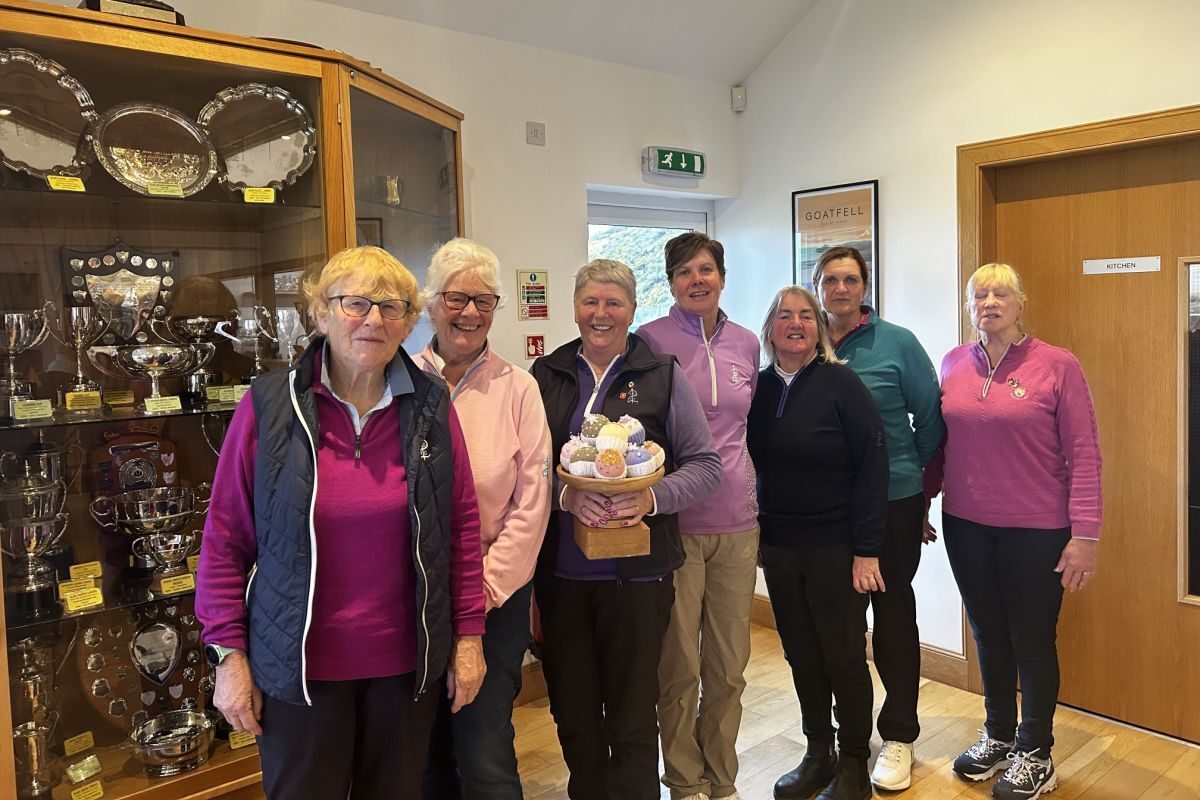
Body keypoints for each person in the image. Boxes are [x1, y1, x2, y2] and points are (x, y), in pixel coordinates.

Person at [195, 246, 488, 799]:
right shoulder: (268, 406)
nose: (374, 319)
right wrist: (228, 655)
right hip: (298, 670)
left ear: (407, 321)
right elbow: (225, 538)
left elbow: (461, 528)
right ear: (321, 313)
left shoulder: (430, 404)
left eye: (392, 306)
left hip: (405, 667)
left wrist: (469, 637)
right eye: (356, 303)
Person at [530, 259, 722, 800]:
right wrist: (567, 496)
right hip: (564, 577)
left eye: (614, 302)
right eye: (591, 301)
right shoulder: (547, 375)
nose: (601, 313)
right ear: (574, 308)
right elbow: (525, 469)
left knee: (635, 712)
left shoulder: (662, 374)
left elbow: (706, 466)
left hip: (640, 579)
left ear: (633, 311)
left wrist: (651, 498)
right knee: (573, 710)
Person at [925, 263, 1102, 800]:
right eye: (979, 293)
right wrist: (918, 506)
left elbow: (1085, 454)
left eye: (1001, 292)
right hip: (966, 525)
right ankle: (1000, 734)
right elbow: (940, 443)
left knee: (1031, 639)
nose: (989, 301)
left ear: (1021, 303)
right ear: (968, 306)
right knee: (987, 634)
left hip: (1037, 530)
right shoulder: (954, 362)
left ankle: (1036, 751)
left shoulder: (1057, 365)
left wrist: (1086, 535)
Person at [417, 238, 552, 800]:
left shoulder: (518, 388)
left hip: (496, 593)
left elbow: (532, 501)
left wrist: (488, 587)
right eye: (456, 298)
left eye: (484, 300)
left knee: (484, 742)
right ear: (431, 305)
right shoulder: (400, 381)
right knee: (425, 747)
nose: (470, 312)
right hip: (415, 595)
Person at [746, 286, 888, 800]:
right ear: (770, 328)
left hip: (836, 547)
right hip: (781, 546)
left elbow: (874, 467)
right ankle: (818, 753)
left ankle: (853, 761)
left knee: (843, 656)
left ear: (819, 328)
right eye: (785, 315)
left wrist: (867, 549)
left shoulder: (841, 384)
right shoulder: (758, 390)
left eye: (806, 315)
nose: (796, 323)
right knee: (801, 655)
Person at [814, 246, 945, 791]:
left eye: (850, 279)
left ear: (864, 287)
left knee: (892, 618)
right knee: (839, 627)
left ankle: (899, 736)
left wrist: (912, 483)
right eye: (830, 279)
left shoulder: (898, 344)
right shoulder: (803, 343)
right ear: (816, 286)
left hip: (892, 501)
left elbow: (932, 418)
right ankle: (851, 736)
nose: (840, 288)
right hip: (827, 509)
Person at [637, 232, 760, 800]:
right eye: (684, 271)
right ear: (670, 282)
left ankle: (723, 778)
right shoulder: (649, 343)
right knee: (680, 668)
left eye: (706, 269)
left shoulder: (747, 343)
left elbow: (748, 430)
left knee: (730, 667)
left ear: (722, 276)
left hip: (738, 523)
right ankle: (685, 782)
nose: (697, 280)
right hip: (675, 525)